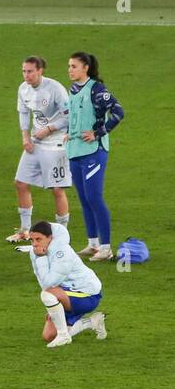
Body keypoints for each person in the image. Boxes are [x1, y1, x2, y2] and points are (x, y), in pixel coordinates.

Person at [66, 52, 124, 263]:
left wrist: (98, 133)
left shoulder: (97, 90)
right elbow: (73, 114)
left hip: (93, 152)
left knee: (94, 198)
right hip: (74, 151)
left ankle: (106, 247)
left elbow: (118, 112)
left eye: (74, 66)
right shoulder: (72, 89)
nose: (70, 69)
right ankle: (93, 244)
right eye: (69, 66)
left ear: (85, 69)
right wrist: (68, 131)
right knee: (84, 199)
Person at [9, 56, 71, 242]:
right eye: (24, 71)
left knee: (57, 189)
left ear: (40, 71)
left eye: (30, 71)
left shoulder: (56, 89)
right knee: (20, 183)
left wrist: (49, 129)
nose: (26, 75)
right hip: (36, 142)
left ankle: (61, 235)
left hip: (56, 144)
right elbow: (24, 113)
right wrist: (25, 136)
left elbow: (69, 117)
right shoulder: (23, 89)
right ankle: (25, 230)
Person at [28, 220, 106, 348]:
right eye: (32, 240)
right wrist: (54, 307)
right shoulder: (36, 252)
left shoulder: (62, 253)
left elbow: (48, 284)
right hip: (69, 293)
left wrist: (41, 258)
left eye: (38, 239)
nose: (35, 244)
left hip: (88, 295)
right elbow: (43, 282)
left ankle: (64, 336)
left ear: (50, 238)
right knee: (49, 336)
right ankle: (92, 322)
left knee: (47, 294)